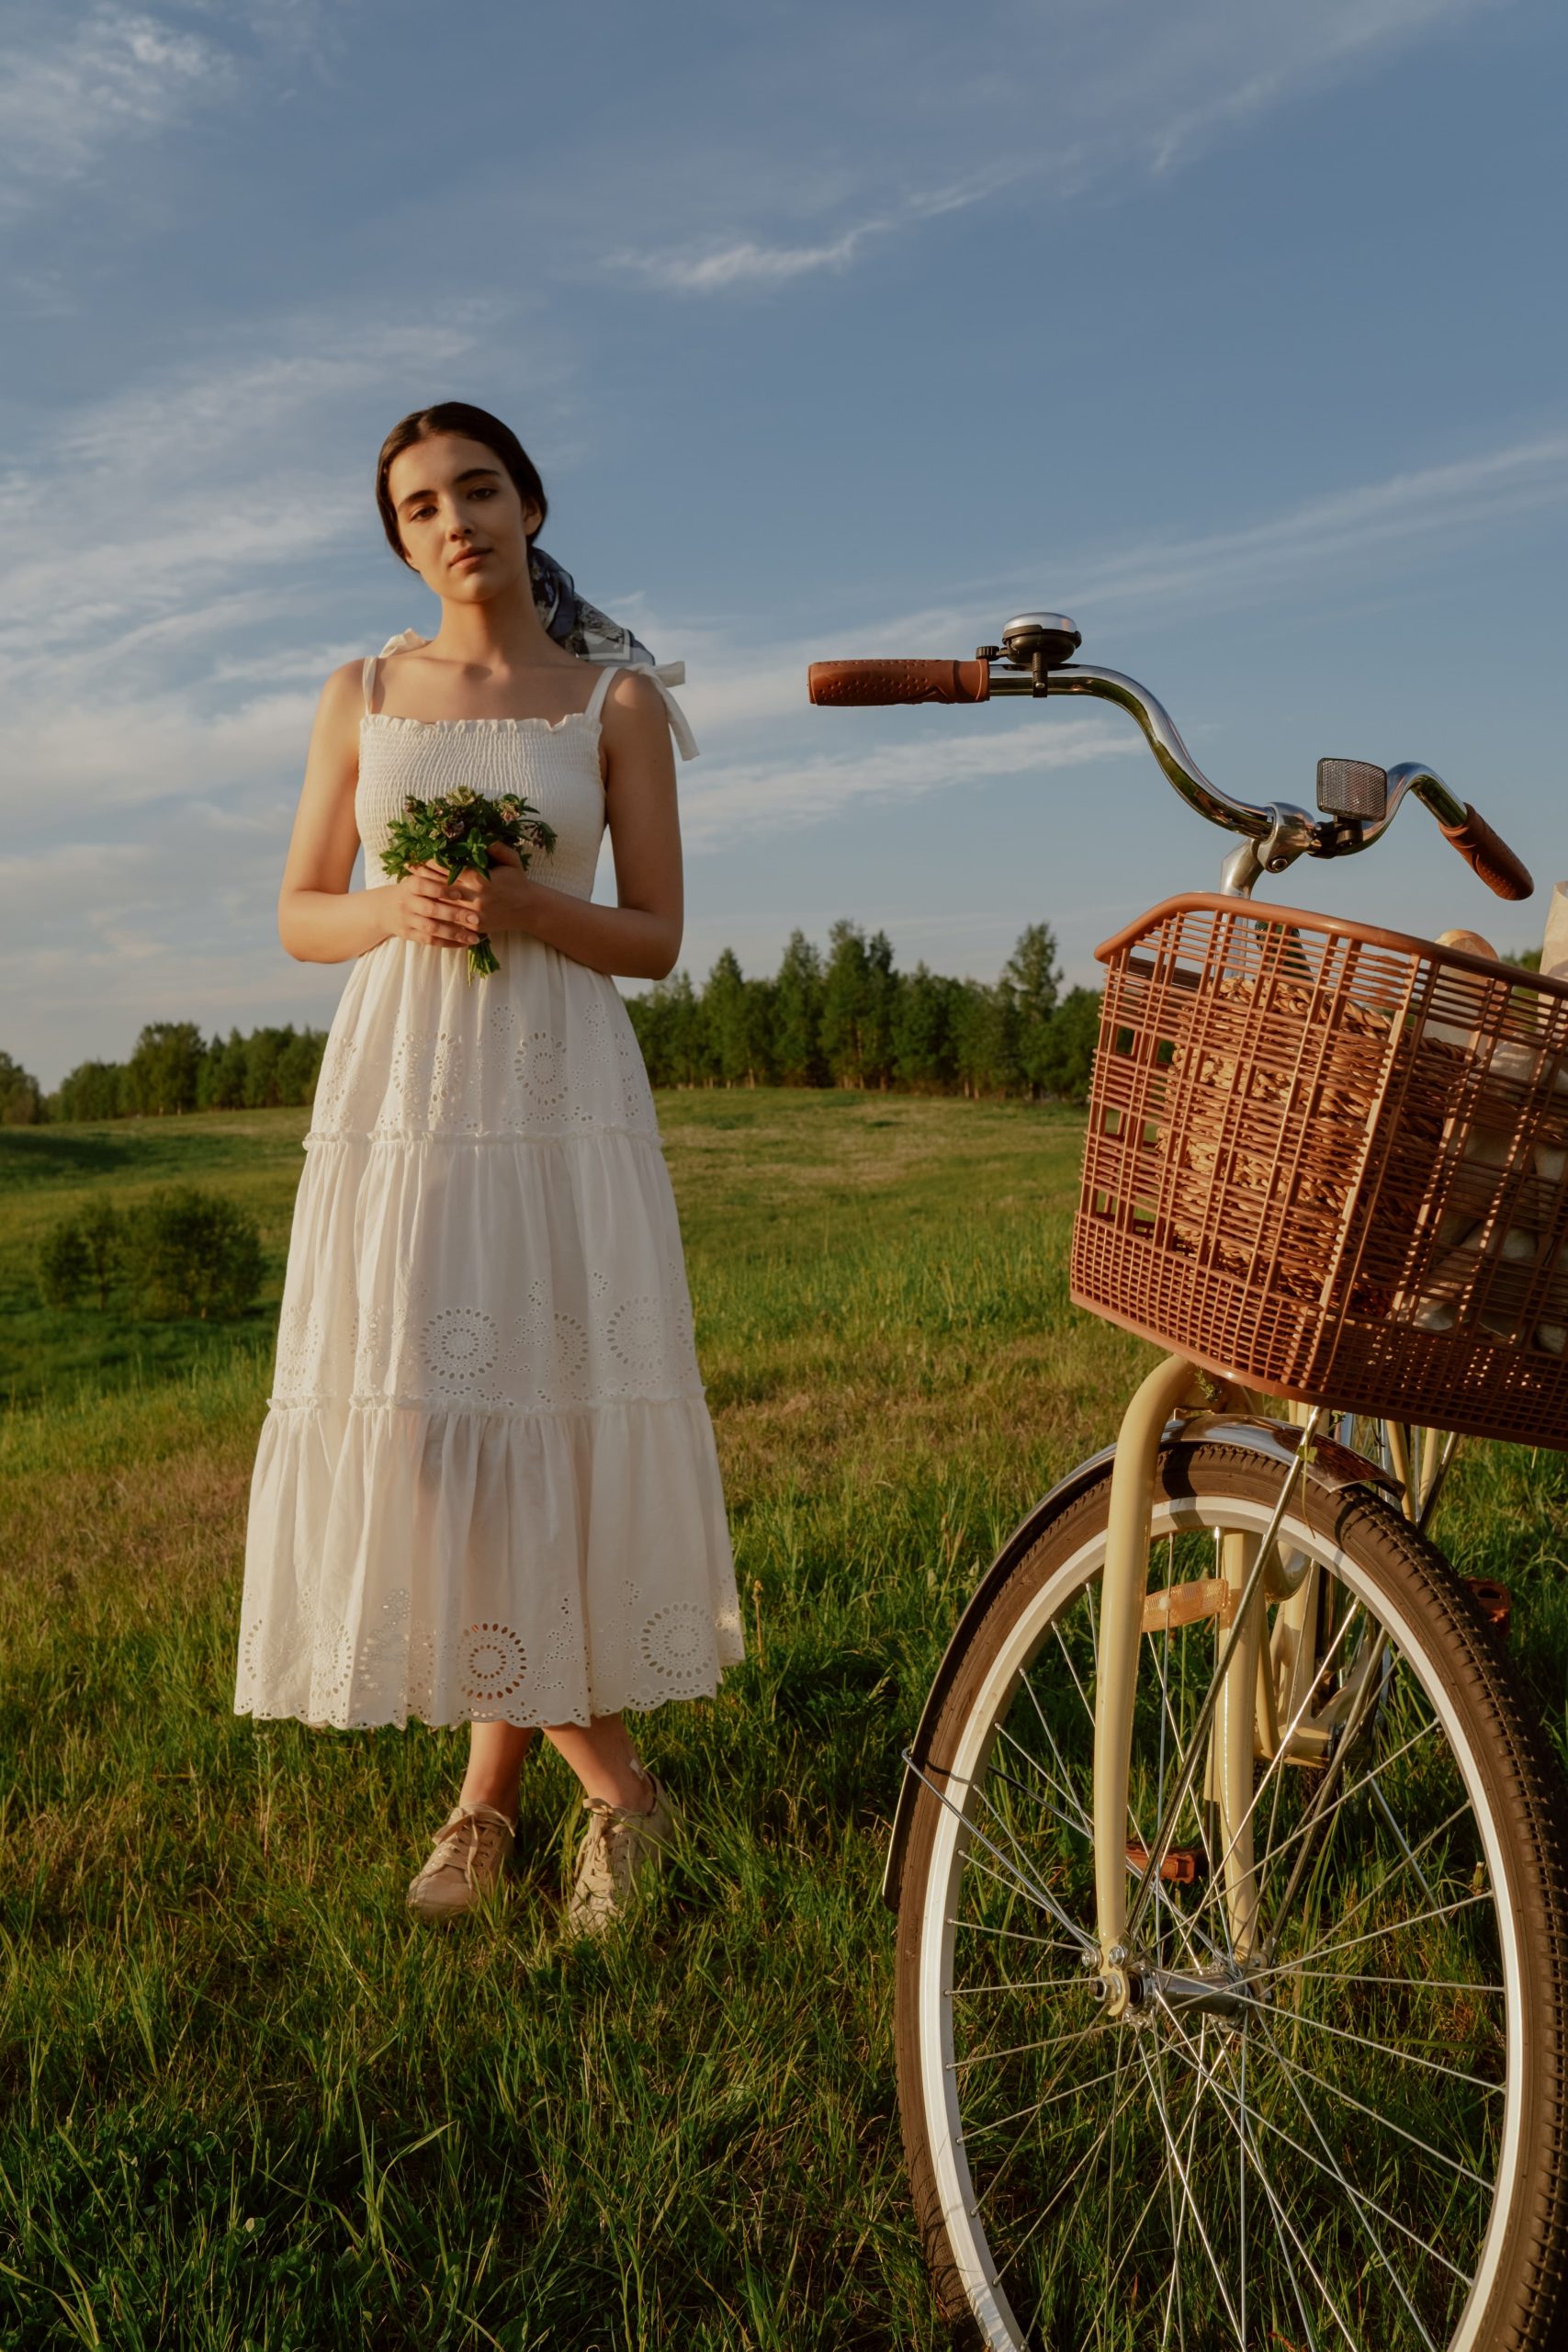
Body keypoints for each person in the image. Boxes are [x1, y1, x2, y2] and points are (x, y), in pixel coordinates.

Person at [234, 401, 744, 1929]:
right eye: (419, 507)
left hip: (559, 1090)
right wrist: (401, 907)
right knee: (428, 1428)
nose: (454, 520)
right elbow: (299, 912)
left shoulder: (616, 705)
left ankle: (489, 1809)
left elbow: (653, 936)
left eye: (477, 489)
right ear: (400, 539)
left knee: (547, 1417)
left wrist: (527, 910)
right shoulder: (363, 693)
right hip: (405, 1091)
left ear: (530, 503)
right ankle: (619, 1792)